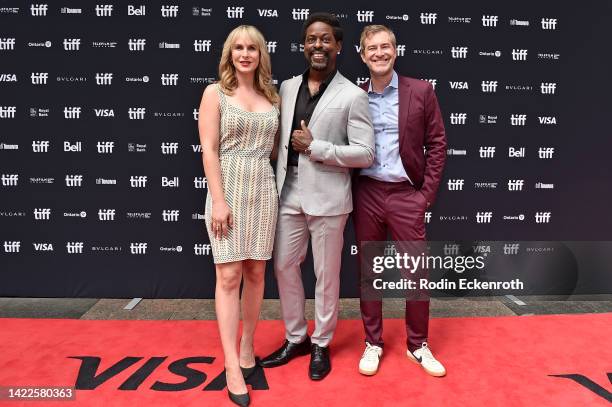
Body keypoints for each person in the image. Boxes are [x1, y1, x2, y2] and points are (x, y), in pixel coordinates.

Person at [259, 12, 375, 381]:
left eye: (326, 39)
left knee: (326, 276)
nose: (318, 45)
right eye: (312, 39)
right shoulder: (287, 87)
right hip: (288, 191)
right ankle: (297, 338)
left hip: (328, 199)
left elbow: (365, 153)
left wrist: (317, 147)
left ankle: (322, 342)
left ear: (339, 46)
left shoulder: (353, 95)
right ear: (304, 45)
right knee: (283, 267)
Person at [354, 25, 447, 377]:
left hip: (407, 194)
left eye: (385, 47)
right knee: (370, 273)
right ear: (362, 55)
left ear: (395, 51)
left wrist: (425, 196)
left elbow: (437, 144)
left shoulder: (421, 91)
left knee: (417, 274)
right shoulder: (354, 96)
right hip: (367, 193)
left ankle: (418, 345)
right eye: (372, 48)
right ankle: (372, 343)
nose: (379, 53)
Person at [198, 25, 280, 406]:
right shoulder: (215, 93)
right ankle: (231, 363)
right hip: (228, 188)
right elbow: (209, 151)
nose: (245, 54)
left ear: (261, 54)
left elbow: (275, 152)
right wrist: (218, 200)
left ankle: (248, 348)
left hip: (263, 189)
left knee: (256, 271)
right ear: (229, 53)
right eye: (238, 48)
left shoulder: (271, 96)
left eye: (252, 48)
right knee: (228, 274)